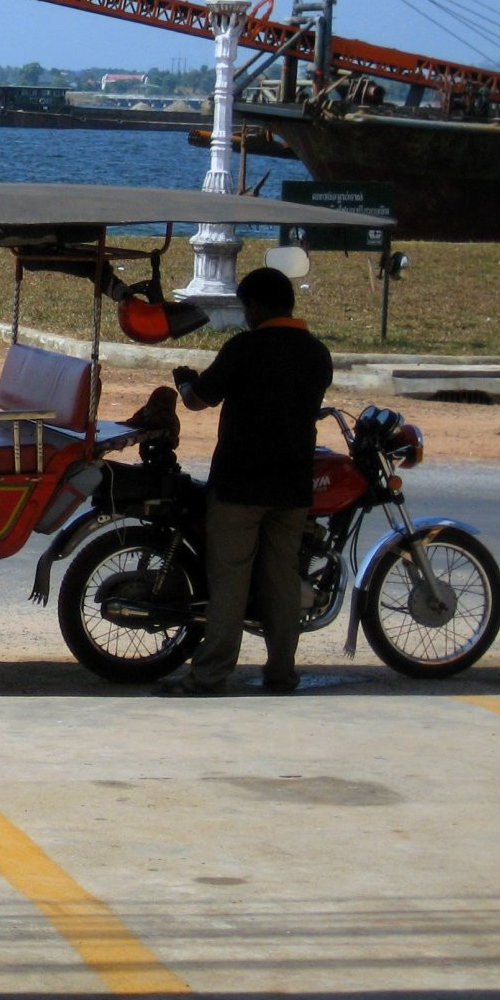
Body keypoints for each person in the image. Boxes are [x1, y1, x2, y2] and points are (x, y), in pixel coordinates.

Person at [157, 266, 333, 696]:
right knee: (281, 582)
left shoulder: (245, 348)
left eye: (246, 307)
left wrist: (185, 382)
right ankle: (281, 673)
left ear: (255, 306)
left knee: (230, 582)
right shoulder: (316, 353)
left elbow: (199, 399)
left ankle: (210, 675)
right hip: (292, 486)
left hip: (239, 485)